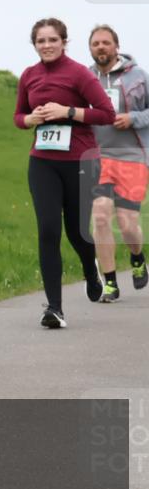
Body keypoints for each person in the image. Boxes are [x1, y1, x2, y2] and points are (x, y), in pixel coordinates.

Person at [13, 18, 115, 328]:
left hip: (79, 161)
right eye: (40, 41)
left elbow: (106, 113)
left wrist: (67, 112)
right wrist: (31, 119)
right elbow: (18, 116)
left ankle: (89, 267)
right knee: (47, 229)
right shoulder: (29, 76)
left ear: (63, 42)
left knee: (76, 230)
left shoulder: (79, 74)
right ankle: (54, 308)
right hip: (42, 161)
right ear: (35, 45)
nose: (46, 45)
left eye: (52, 40)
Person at [87, 24, 149, 301]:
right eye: (96, 43)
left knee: (126, 224)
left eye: (105, 42)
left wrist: (133, 118)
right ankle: (110, 282)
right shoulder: (86, 78)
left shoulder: (138, 76)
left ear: (116, 46)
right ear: (90, 48)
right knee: (100, 216)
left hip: (133, 156)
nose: (101, 47)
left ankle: (137, 257)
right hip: (99, 157)